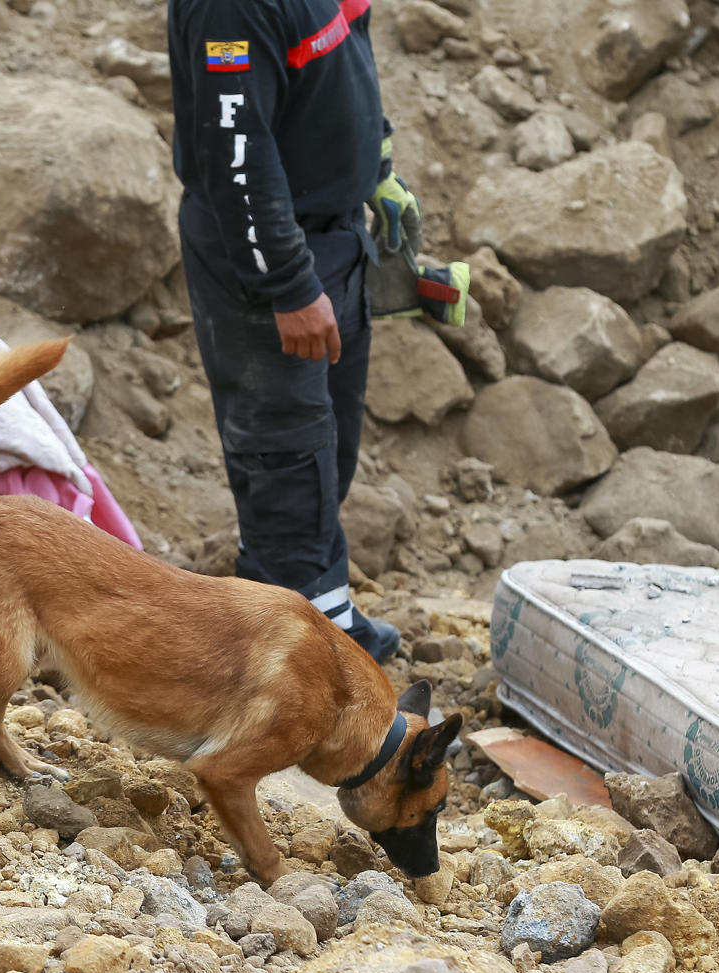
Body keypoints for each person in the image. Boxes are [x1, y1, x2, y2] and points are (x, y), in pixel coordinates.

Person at [168, 0, 464, 664]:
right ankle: (293, 662)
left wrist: (378, 171)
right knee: (286, 462)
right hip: (267, 256)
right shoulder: (232, 9)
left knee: (329, 453)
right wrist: (288, 284)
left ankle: (319, 618)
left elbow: (348, 57)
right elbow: (236, 152)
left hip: (332, 239)